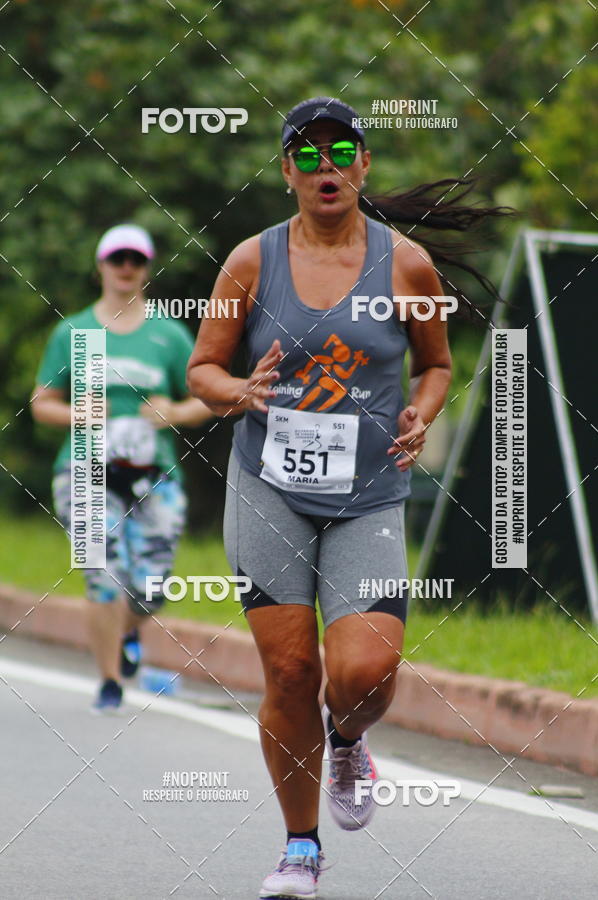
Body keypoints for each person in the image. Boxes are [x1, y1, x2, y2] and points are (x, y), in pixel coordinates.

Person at [187, 97, 510, 898]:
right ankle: (301, 847)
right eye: (305, 154)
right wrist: (239, 391)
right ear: (287, 170)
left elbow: (435, 364)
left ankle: (347, 738)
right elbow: (202, 370)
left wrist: (423, 412)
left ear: (363, 166)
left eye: (339, 151)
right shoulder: (249, 263)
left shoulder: (404, 265)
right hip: (270, 488)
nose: (323, 166)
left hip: (368, 493)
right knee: (291, 671)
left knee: (363, 673)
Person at [32, 224, 212, 712]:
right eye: (118, 259)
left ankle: (129, 631)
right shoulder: (75, 332)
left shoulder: (168, 335)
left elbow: (205, 398)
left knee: (152, 583)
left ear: (147, 269)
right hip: (85, 467)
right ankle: (110, 681)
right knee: (101, 573)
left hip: (154, 472)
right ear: (101, 267)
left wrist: (174, 412)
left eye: (136, 260)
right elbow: (41, 403)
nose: (126, 268)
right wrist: (79, 413)